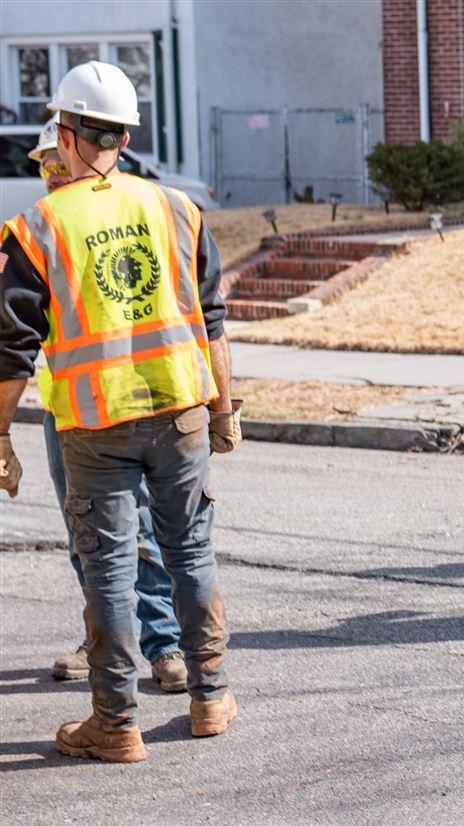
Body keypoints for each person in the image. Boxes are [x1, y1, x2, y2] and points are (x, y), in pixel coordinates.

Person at [0, 61, 242, 764]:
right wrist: (225, 409)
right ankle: (210, 696)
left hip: (93, 424)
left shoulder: (38, 225)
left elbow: (11, 349)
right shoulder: (176, 208)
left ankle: (116, 721)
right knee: (191, 551)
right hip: (180, 412)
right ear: (127, 135)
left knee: (107, 567)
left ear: (66, 133)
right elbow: (213, 322)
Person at [24, 115, 189, 693]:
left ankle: (164, 643)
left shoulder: (123, 217)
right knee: (85, 534)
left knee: (140, 530)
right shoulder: (44, 232)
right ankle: (102, 637)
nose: (50, 175)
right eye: (42, 168)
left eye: (54, 162)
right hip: (66, 409)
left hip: (136, 402)